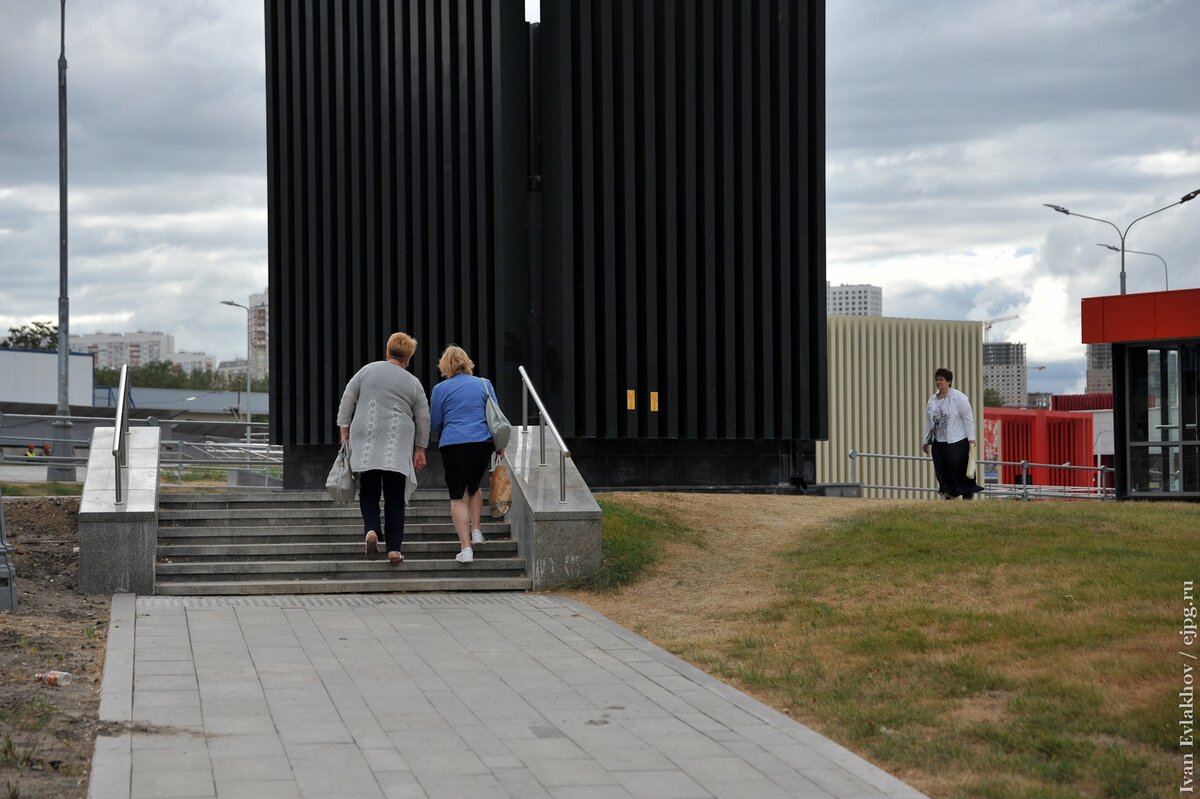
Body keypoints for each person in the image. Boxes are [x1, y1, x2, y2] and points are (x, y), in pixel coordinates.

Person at [336, 332, 430, 565]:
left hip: (365, 437)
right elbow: (423, 417)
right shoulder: (413, 382)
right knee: (394, 497)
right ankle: (394, 550)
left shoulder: (366, 371)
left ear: (387, 352)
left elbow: (347, 398)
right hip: (396, 443)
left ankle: (371, 530)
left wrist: (344, 429)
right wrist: (420, 448)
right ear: (408, 358)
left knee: (368, 490)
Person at [429, 345, 505, 563]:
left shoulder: (440, 389)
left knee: (457, 497)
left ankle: (466, 548)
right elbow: (495, 417)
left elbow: (435, 423)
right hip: (482, 443)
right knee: (474, 486)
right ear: (467, 362)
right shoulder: (484, 384)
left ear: (445, 365)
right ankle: (477, 530)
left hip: (454, 444)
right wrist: (499, 445)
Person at [921, 367, 985, 500]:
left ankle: (967, 493)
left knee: (958, 467)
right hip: (939, 441)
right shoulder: (932, 400)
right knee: (942, 469)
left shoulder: (959, 398)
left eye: (942, 380)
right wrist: (926, 441)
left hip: (957, 441)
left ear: (949, 381)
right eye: (937, 380)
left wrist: (971, 439)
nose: (939, 382)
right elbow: (929, 421)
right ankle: (948, 493)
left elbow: (968, 419)